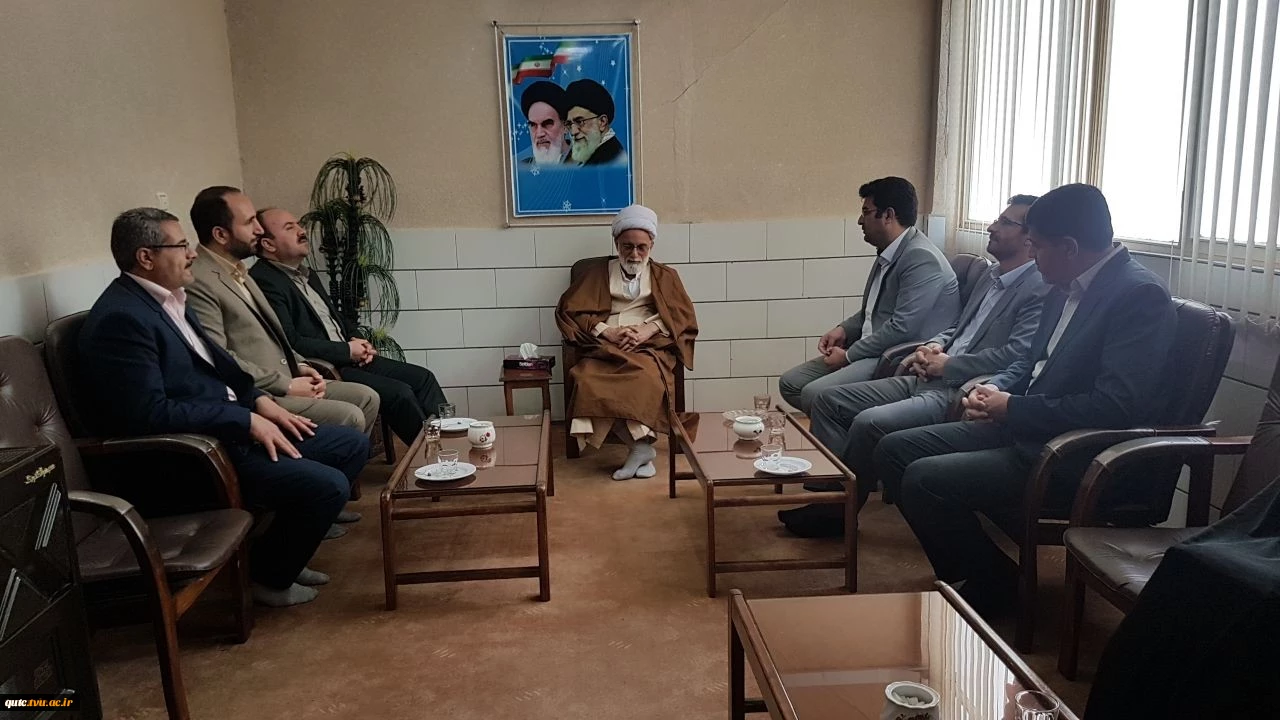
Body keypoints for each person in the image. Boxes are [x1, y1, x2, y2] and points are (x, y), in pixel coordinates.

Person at [872, 184, 1177, 614]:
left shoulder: (1138, 296)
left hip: (1071, 452)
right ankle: (994, 576)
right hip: (1026, 427)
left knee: (925, 479)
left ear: (1069, 247)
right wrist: (994, 389)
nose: (1031, 255)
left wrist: (1013, 407)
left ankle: (994, 587)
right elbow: (1031, 361)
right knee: (893, 450)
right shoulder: (1064, 282)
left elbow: (1115, 406)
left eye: (1037, 246)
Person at [79, 208, 370, 607]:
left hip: (229, 431)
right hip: (194, 455)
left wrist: (261, 402)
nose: (192, 254)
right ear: (146, 257)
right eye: (181, 246)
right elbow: (147, 413)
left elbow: (224, 367)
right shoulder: (122, 319)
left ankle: (277, 555)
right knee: (327, 485)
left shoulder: (171, 300)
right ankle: (269, 578)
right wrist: (244, 420)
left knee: (350, 445)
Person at [779, 195, 1047, 537]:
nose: (993, 227)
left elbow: (1015, 355)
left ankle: (837, 513)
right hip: (926, 373)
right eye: (997, 218)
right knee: (828, 401)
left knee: (869, 422)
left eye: (1006, 222)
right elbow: (959, 326)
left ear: (1030, 237)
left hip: (957, 388)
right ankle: (834, 494)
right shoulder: (991, 274)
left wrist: (948, 365)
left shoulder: (1038, 288)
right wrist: (934, 345)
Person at [186, 186, 376, 535]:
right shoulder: (200, 280)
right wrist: (286, 384)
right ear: (221, 234)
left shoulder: (237, 270)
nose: (259, 230)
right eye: (249, 222)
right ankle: (312, 500)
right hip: (262, 391)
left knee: (366, 397)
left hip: (289, 375)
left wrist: (301, 365)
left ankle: (325, 501)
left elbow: (278, 337)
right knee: (349, 416)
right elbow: (218, 356)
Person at [250, 207, 448, 446]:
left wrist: (358, 340)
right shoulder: (265, 281)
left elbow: (337, 318)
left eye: (299, 224)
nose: (302, 231)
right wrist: (346, 351)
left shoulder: (307, 275)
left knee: (424, 378)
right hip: (327, 367)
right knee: (400, 393)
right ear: (268, 244)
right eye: (289, 228)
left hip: (350, 357)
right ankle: (432, 453)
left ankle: (451, 442)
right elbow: (291, 341)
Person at [778, 177, 959, 413]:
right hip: (870, 346)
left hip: (895, 355)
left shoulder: (921, 258)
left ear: (888, 215)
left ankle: (844, 428)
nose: (860, 221)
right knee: (791, 384)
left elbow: (902, 328)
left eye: (866, 212)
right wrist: (844, 329)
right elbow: (874, 310)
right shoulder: (890, 251)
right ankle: (843, 422)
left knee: (815, 394)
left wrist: (848, 356)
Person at [556, 204, 696, 480]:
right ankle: (640, 448)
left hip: (647, 346)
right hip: (604, 346)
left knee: (645, 378)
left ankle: (640, 451)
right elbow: (570, 311)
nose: (634, 254)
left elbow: (683, 316)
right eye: (627, 246)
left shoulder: (665, 276)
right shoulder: (596, 273)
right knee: (585, 380)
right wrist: (606, 331)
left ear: (651, 245)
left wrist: (647, 330)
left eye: (641, 247)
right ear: (616, 244)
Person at [563, 79, 627, 166]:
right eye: (569, 124)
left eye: (580, 121)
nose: (573, 132)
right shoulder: (592, 154)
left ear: (602, 122)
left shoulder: (612, 161)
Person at [519, 81, 570, 166]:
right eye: (533, 125)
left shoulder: (585, 165)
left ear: (565, 126)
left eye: (547, 124)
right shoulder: (523, 167)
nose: (539, 134)